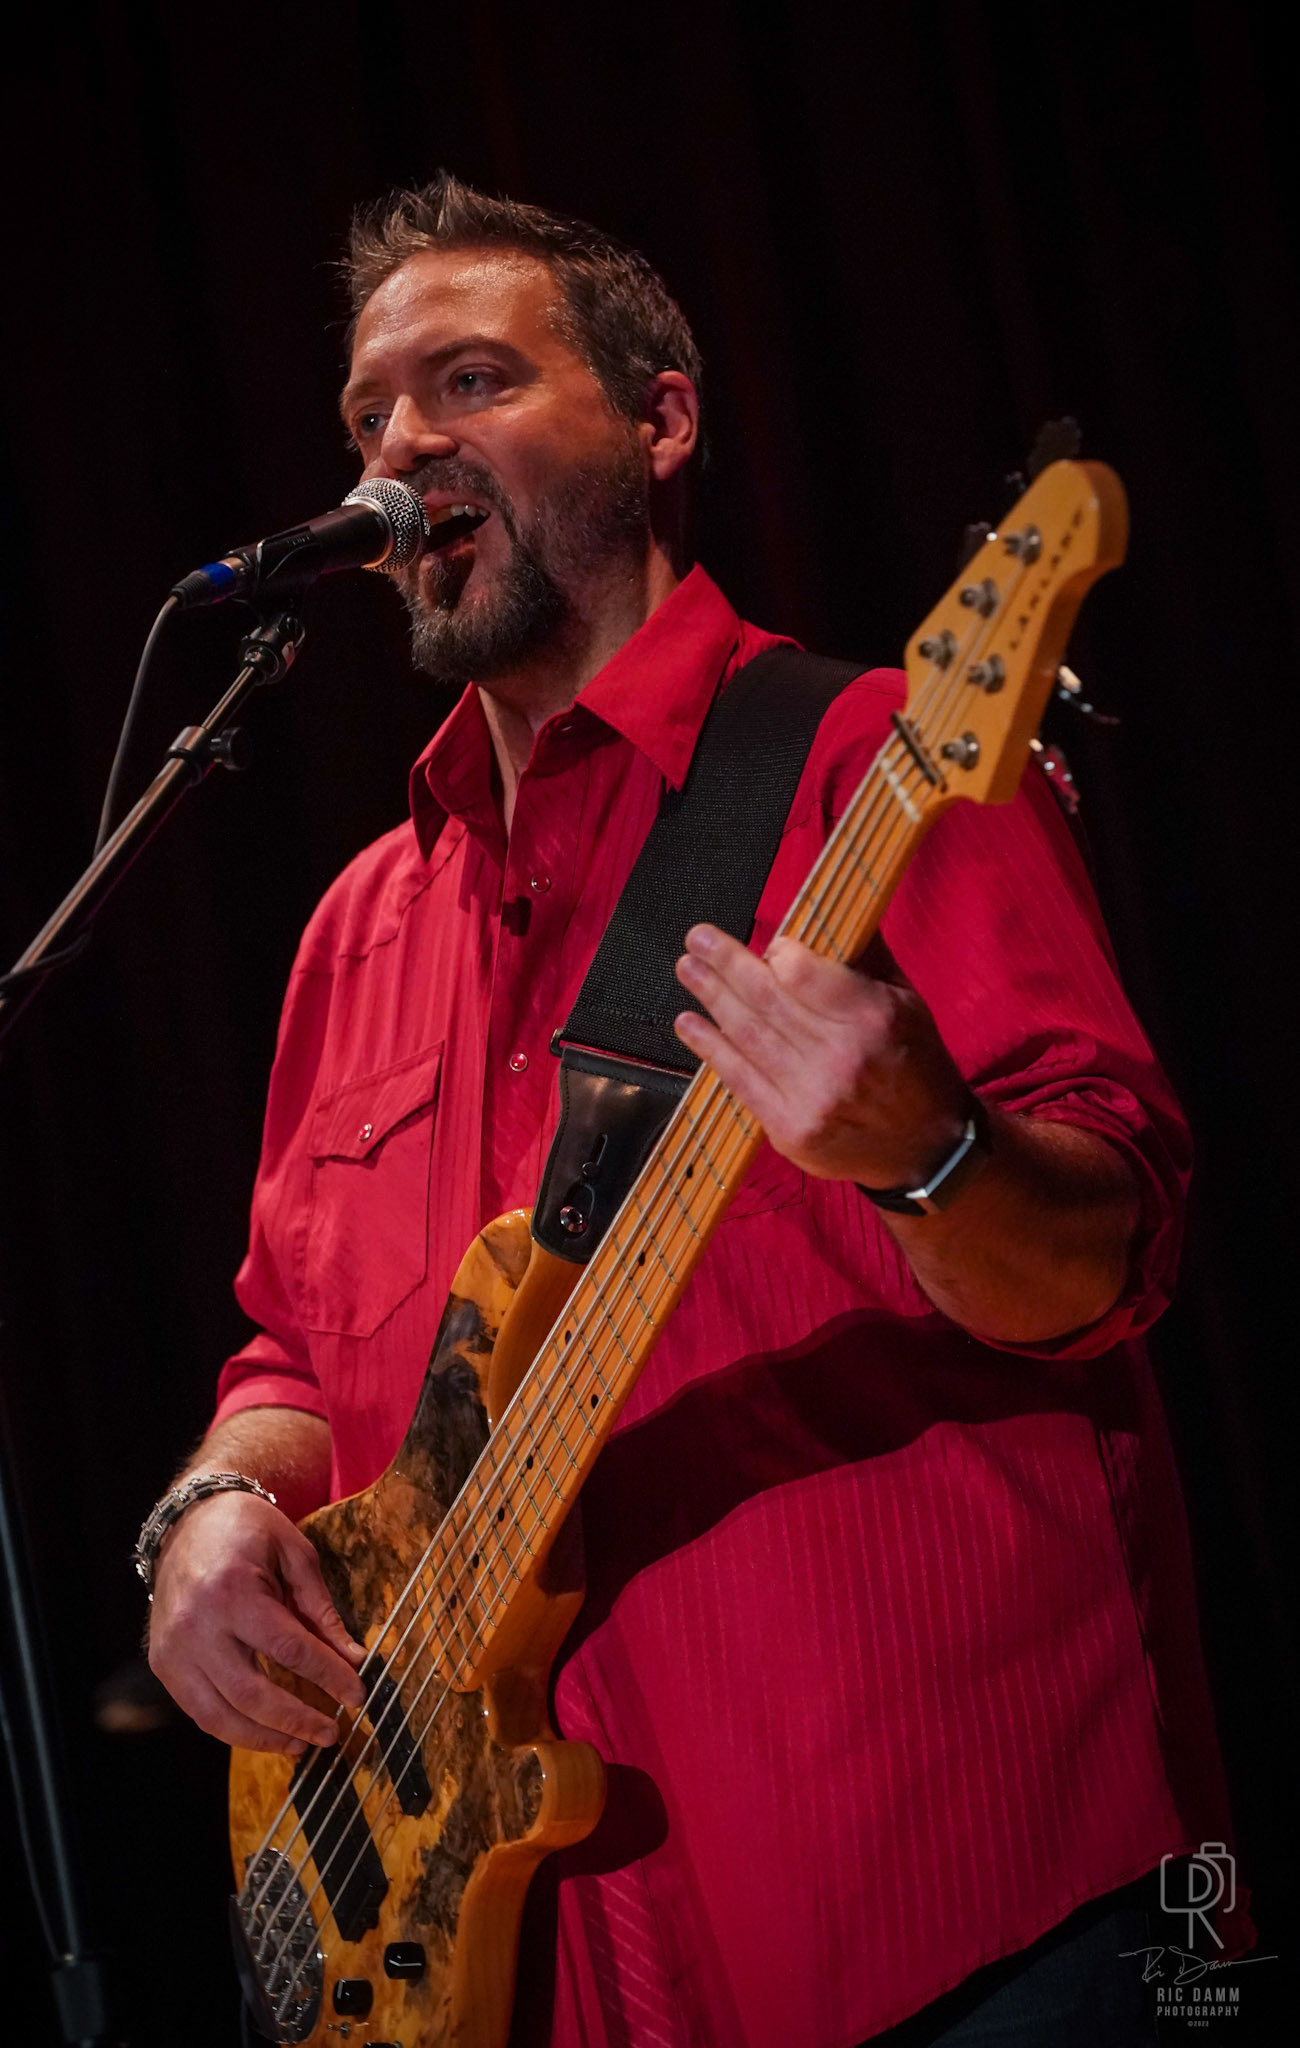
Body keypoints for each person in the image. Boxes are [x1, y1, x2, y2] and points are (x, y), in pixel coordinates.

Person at [143, 175, 1242, 2046]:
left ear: (661, 420)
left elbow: (1108, 1261)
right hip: (534, 1961)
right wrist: (216, 1511)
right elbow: (293, 1355)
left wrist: (931, 1157)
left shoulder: (866, 760)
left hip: (956, 1893)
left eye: (472, 380)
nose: (402, 447)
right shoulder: (358, 926)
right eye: (369, 415)